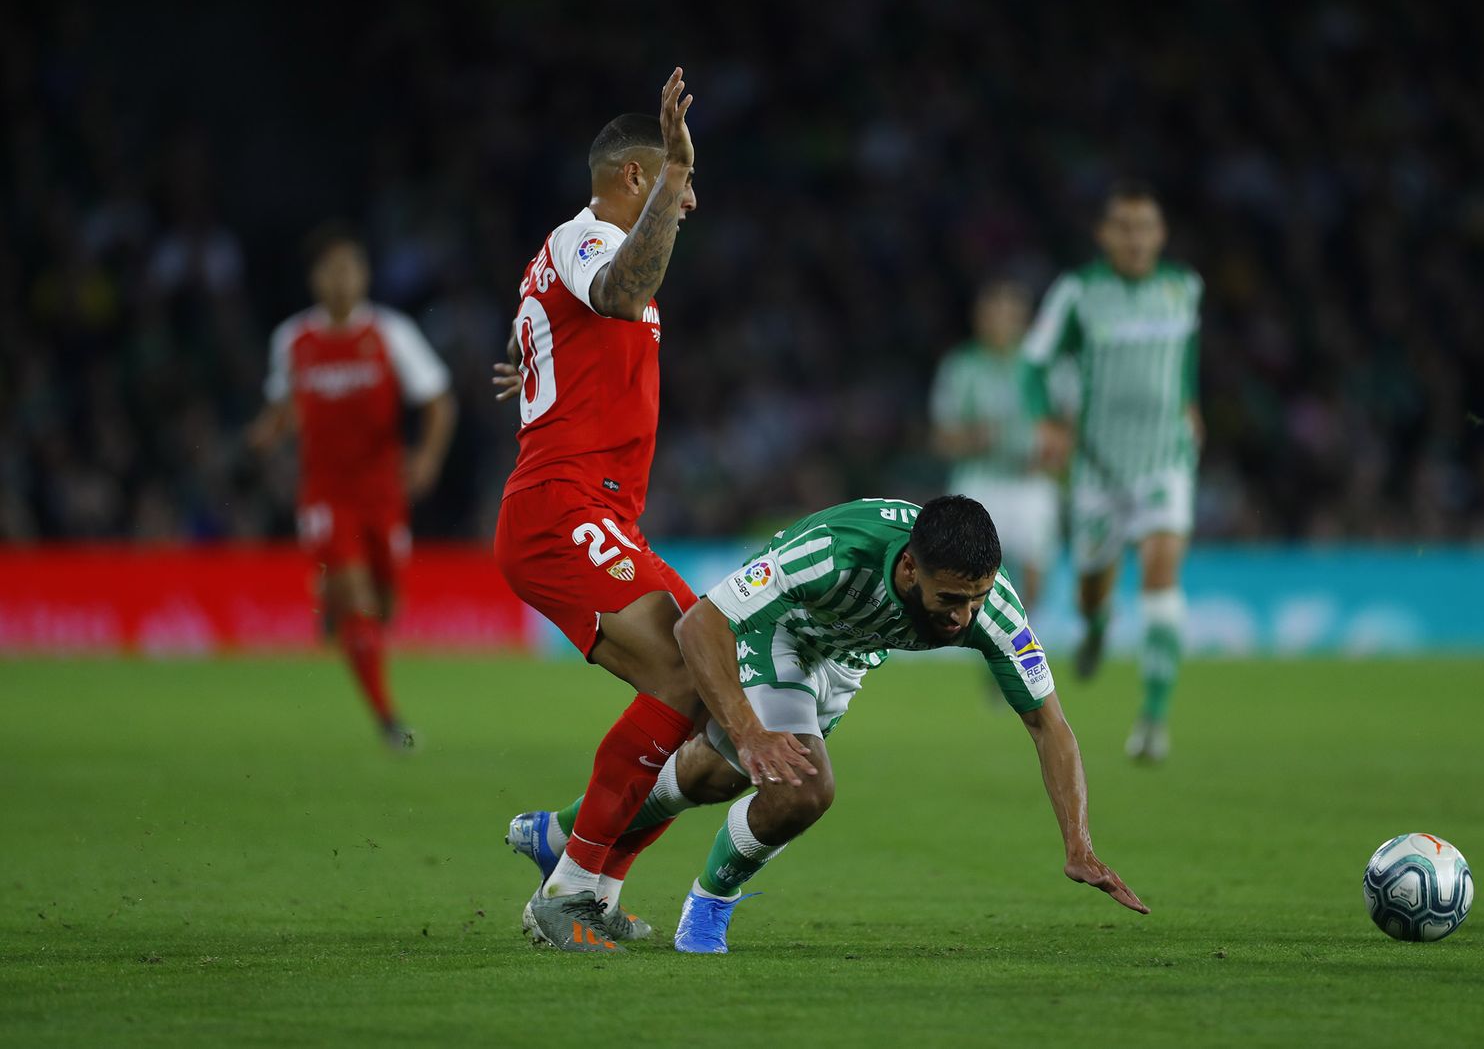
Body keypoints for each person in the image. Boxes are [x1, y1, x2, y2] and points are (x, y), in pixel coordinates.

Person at [509, 495, 1146, 953]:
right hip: (778, 631)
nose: (962, 617)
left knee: (711, 777)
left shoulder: (992, 612)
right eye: (949, 600)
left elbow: (1049, 725)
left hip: (844, 658)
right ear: (908, 571)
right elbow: (700, 623)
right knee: (802, 789)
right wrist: (752, 731)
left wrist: (1079, 846)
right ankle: (708, 910)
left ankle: (560, 832)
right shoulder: (834, 552)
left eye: (975, 599)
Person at [491, 68, 813, 953]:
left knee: (710, 676)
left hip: (589, 511)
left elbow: (580, 332)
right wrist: (674, 173)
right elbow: (621, 293)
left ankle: (578, 865)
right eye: (678, 178)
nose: (691, 198)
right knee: (692, 664)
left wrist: (534, 379)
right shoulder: (586, 237)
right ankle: (568, 885)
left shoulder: (575, 256)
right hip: (562, 508)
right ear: (635, 176)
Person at [248, 227, 456, 749]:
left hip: (383, 492)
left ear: (364, 275)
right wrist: (266, 435)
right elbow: (284, 405)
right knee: (357, 598)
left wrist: (427, 458)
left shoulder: (390, 333)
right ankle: (389, 722)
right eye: (332, 269)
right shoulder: (292, 340)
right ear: (315, 278)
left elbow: (437, 400)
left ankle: (339, 614)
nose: (343, 280)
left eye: (352, 268)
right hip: (324, 494)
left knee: (385, 605)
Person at [1020, 180, 1204, 762]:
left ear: (1161, 233)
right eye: (1123, 226)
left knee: (1161, 576)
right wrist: (1045, 420)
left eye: (1145, 226)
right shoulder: (1078, 293)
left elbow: (1187, 361)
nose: (1134, 238)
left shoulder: (1183, 288)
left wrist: (1191, 404)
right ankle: (1097, 626)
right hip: (1099, 468)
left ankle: (1153, 719)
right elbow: (1033, 363)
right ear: (1104, 234)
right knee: (1091, 591)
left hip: (1166, 460)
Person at [930, 278, 1065, 608]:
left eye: (1009, 312)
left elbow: (1070, 426)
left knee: (1035, 573)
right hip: (980, 481)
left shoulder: (1044, 366)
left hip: (1031, 480)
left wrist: (1055, 452)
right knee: (971, 573)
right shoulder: (960, 367)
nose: (1000, 320)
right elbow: (941, 438)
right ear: (979, 317)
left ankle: (1022, 633)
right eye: (992, 312)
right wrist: (973, 438)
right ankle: (983, 638)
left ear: (1024, 318)